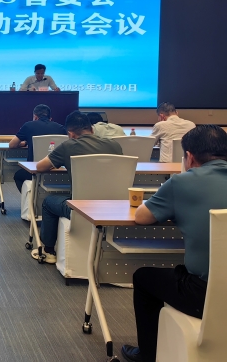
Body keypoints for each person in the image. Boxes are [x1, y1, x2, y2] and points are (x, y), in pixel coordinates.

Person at [121, 125, 227, 362]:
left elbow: (142, 217)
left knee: (144, 278)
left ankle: (148, 355)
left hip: (206, 295)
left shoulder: (182, 183)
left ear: (189, 156)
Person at [32, 111, 123, 263]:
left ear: (71, 134)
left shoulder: (68, 146)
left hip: (81, 209)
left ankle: (48, 252)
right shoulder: (115, 145)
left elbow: (40, 167)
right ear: (92, 129)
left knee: (48, 202)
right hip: (114, 208)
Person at [9, 104, 67, 192]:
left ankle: (30, 198)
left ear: (35, 117)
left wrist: (24, 143)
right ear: (50, 118)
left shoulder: (28, 125)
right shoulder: (61, 128)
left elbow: (12, 145)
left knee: (18, 176)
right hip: (59, 172)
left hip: (34, 171)